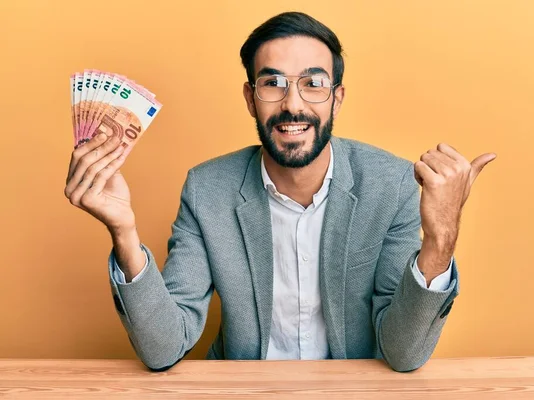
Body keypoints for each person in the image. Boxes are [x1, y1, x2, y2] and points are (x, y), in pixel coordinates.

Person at [64, 11, 495, 372]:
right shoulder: (207, 189)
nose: (293, 104)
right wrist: (124, 233)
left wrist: (441, 239)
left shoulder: (392, 185)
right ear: (251, 99)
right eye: (272, 84)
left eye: (313, 83)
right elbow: (163, 348)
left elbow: (403, 354)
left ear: (337, 99)